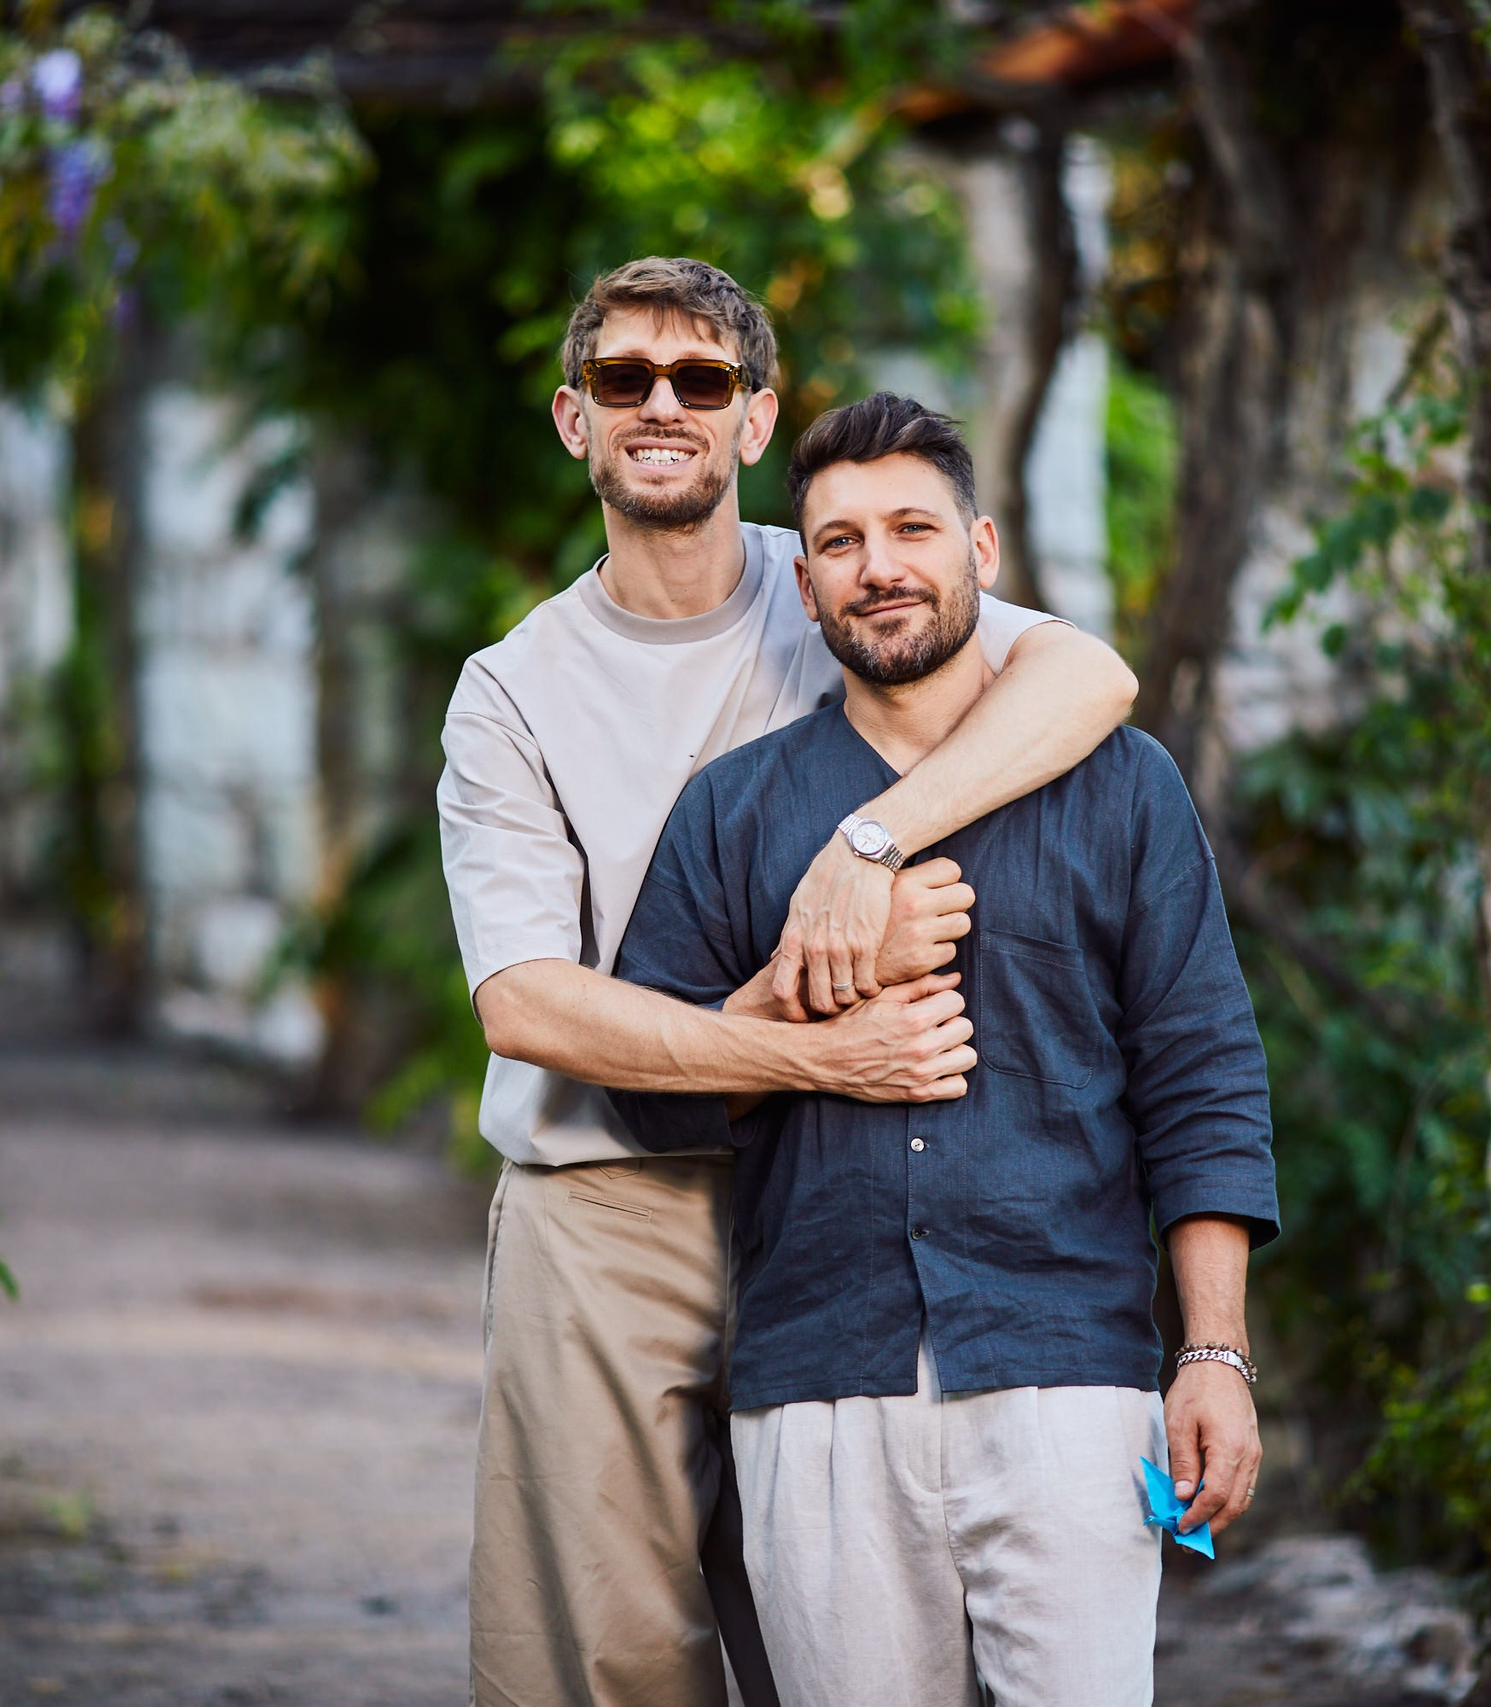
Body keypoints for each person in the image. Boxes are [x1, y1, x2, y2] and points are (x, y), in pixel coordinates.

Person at [435, 261, 1137, 1707]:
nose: (663, 404)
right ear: (574, 418)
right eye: (624, 378)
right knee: (614, 1660)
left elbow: (1091, 684)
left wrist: (867, 845)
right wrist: (805, 1034)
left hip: (839, 1194)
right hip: (614, 1210)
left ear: (754, 419)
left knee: (846, 1644)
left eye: (701, 378)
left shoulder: (842, 574)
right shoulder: (513, 688)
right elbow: (526, 1004)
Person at [609, 392, 1278, 1707]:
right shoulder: (733, 813)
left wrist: (1214, 1353)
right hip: (820, 1391)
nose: (881, 566)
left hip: (1070, 1381)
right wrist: (804, 1013)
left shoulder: (1125, 787)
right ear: (806, 587)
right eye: (842, 542)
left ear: (981, 549)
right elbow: (647, 1088)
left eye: (912, 528)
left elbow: (1201, 1079)